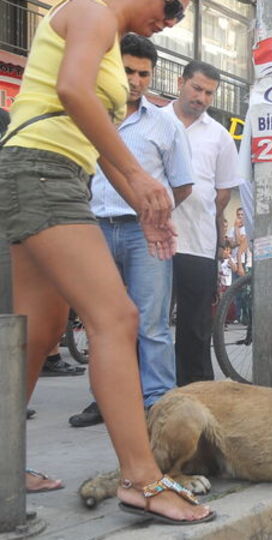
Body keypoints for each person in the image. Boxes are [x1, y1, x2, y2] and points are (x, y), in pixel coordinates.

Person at [0, 0, 212, 522]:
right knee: (117, 319)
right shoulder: (93, 10)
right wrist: (140, 179)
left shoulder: (109, 39)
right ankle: (141, 480)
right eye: (172, 5)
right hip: (42, 173)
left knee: (44, 331)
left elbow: (97, 145)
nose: (174, 17)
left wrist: (142, 200)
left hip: (57, 173)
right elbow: (72, 91)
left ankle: (3, 463)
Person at [69, 33, 194, 428]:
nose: (136, 79)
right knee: (102, 322)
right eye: (128, 70)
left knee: (151, 323)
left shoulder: (165, 125)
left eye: (144, 72)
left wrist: (155, 213)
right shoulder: (88, 115)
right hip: (95, 230)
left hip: (144, 237)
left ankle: (158, 403)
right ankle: (105, 399)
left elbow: (184, 183)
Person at [165, 60, 240, 386]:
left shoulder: (220, 136)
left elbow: (223, 192)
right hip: (151, 239)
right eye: (197, 88)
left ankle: (195, 389)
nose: (202, 98)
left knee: (195, 323)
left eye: (209, 93)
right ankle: (130, 391)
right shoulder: (154, 120)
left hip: (198, 240)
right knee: (142, 319)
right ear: (181, 82)